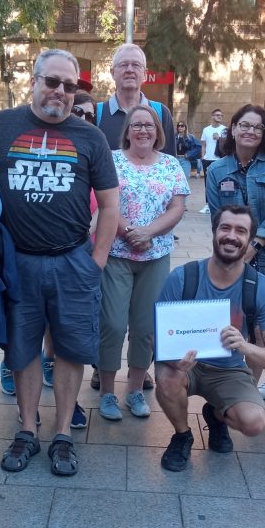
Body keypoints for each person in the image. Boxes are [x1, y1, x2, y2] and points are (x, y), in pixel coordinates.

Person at [0, 48, 118, 478]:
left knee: (72, 349)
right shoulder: (2, 126)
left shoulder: (90, 137)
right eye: (51, 81)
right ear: (33, 82)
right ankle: (26, 429)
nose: (60, 91)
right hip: (18, 263)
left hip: (73, 261)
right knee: (22, 351)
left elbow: (110, 206)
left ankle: (62, 434)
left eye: (69, 85)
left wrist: (96, 261)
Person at [154, 205, 265, 471]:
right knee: (167, 378)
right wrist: (173, 360)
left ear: (250, 240)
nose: (231, 236)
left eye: (241, 231)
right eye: (225, 228)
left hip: (230, 370)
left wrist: (245, 346)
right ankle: (182, 436)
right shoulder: (183, 277)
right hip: (187, 366)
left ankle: (216, 415)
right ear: (214, 232)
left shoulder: (261, 287)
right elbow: (156, 338)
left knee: (253, 423)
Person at [98, 104, 188, 421]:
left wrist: (148, 232)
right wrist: (129, 231)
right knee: (111, 324)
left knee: (145, 327)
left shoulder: (171, 165)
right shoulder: (111, 160)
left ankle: (135, 390)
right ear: (127, 131)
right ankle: (107, 392)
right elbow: (104, 201)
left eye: (148, 125)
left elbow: (177, 208)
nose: (143, 130)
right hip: (117, 253)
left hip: (155, 255)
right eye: (136, 125)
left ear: (158, 131)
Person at [206, 104, 265, 399]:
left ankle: (249, 389)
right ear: (232, 128)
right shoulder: (217, 169)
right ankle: (229, 380)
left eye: (258, 128)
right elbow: (217, 215)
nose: (250, 131)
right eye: (244, 125)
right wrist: (238, 246)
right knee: (236, 319)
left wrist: (256, 244)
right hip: (232, 253)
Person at [95, 43, 175, 157]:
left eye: (136, 65)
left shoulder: (161, 113)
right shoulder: (97, 113)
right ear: (112, 73)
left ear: (145, 74)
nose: (129, 70)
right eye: (123, 65)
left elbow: (170, 165)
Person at [199, 108, 226, 185]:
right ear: (212, 116)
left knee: (221, 183)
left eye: (221, 115)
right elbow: (203, 145)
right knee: (208, 183)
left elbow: (228, 145)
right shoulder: (206, 130)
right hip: (207, 160)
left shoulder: (224, 129)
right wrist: (203, 158)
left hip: (220, 159)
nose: (220, 117)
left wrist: (220, 139)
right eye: (217, 115)